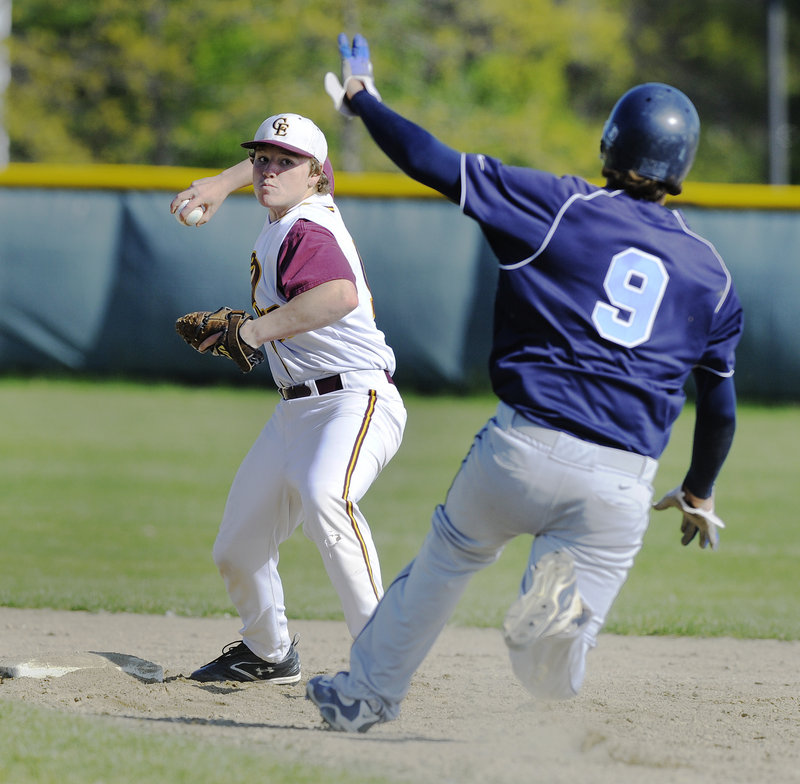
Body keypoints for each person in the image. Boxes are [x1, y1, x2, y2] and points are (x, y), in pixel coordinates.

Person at [305, 35, 743, 731]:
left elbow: (429, 162)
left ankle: (365, 696)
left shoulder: (561, 208)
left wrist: (363, 99)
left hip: (521, 450)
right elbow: (719, 407)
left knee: (447, 558)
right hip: (621, 480)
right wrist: (697, 491)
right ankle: (558, 631)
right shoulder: (712, 275)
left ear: (611, 145)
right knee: (554, 671)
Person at [172, 111, 406, 683]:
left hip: (355, 400)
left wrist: (250, 332)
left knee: (328, 496)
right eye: (261, 160)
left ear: (317, 175)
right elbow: (276, 162)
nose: (269, 170)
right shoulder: (293, 208)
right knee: (237, 545)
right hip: (295, 409)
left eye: (286, 163)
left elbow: (339, 296)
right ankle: (269, 653)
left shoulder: (307, 227)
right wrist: (226, 183)